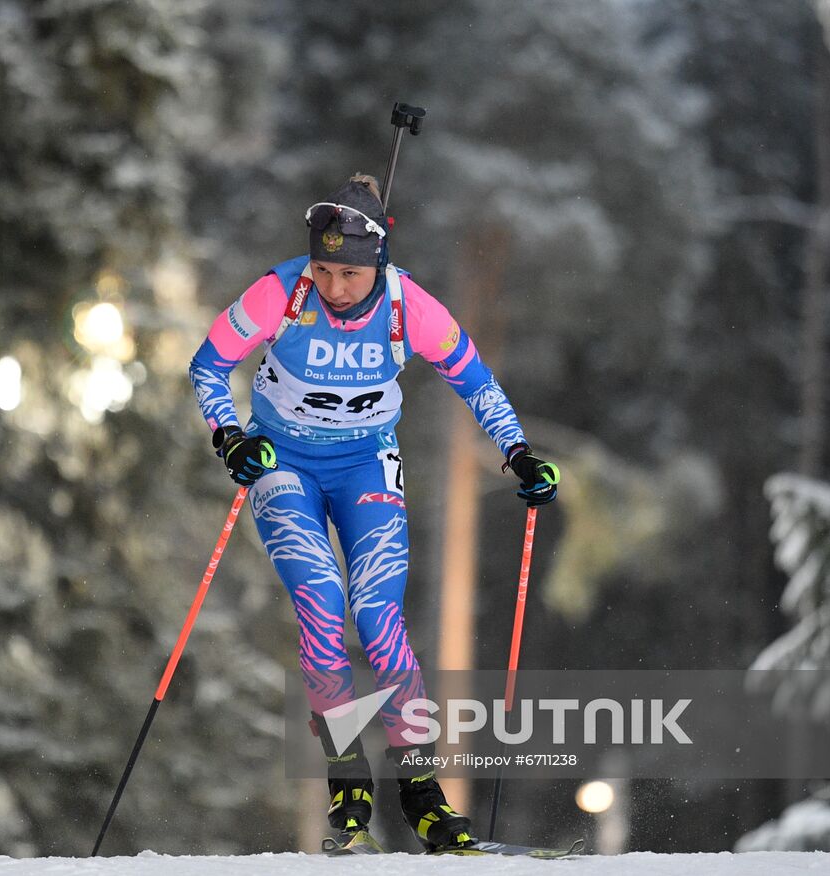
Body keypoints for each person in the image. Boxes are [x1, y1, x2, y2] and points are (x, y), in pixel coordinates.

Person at [188, 175, 559, 853]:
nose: (334, 287)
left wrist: (518, 454)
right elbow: (208, 366)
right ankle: (345, 772)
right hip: (285, 466)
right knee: (322, 604)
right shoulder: (280, 291)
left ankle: (421, 791)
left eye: (351, 273)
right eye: (324, 269)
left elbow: (474, 380)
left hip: (366, 464)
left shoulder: (408, 305)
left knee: (378, 617)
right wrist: (229, 436)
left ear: (378, 263)